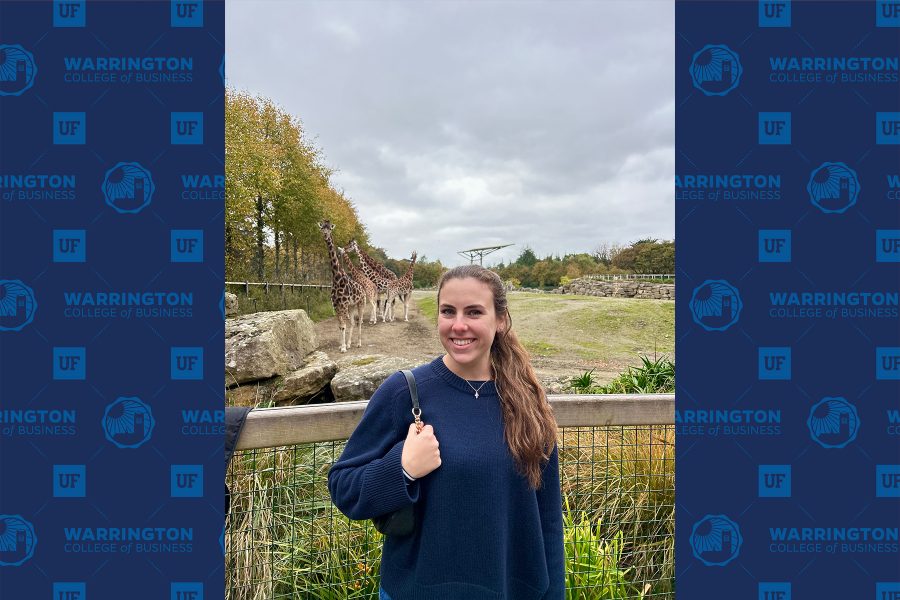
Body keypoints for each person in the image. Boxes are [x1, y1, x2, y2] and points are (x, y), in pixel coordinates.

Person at [327, 265, 564, 600]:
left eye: (474, 312)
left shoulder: (527, 400)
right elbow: (344, 487)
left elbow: (548, 518)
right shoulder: (404, 392)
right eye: (448, 311)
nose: (458, 325)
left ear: (500, 320)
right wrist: (403, 469)